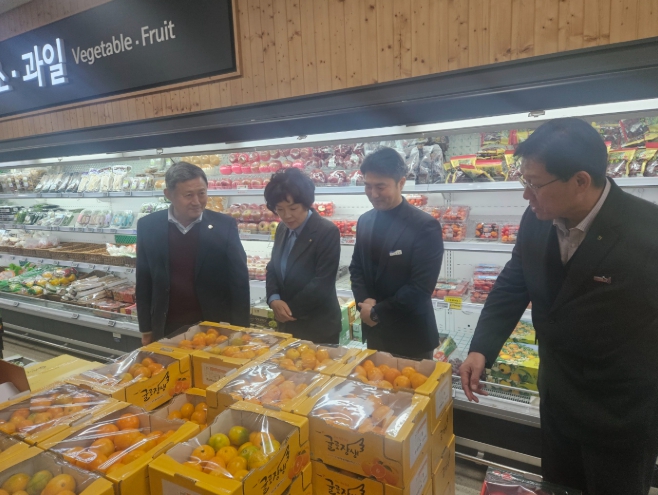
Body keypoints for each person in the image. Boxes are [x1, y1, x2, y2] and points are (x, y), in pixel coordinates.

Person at [460, 118, 658, 495]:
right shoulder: (538, 219)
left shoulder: (648, 231)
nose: (526, 195)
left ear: (580, 181)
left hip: (620, 415)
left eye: (534, 184)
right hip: (556, 401)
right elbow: (513, 283)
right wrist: (481, 348)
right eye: (524, 182)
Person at [136, 162, 250, 345]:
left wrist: (241, 329)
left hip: (212, 328)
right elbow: (143, 280)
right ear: (169, 194)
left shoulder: (224, 225)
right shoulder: (148, 226)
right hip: (166, 326)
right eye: (188, 195)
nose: (197, 201)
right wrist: (146, 329)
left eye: (202, 193)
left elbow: (239, 281)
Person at [349, 146, 444, 359]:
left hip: (410, 336)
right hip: (374, 331)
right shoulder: (365, 221)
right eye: (368, 186)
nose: (373, 194)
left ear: (401, 183)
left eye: (380, 187)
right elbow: (356, 268)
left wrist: (377, 312)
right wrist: (365, 303)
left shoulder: (424, 226)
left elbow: (420, 287)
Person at [265, 168, 342, 343]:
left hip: (317, 326)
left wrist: (287, 310)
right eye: (280, 209)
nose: (287, 216)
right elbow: (273, 267)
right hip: (286, 324)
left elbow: (322, 282)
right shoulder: (282, 228)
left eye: (293, 208)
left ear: (306, 203)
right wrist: (273, 299)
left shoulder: (326, 231)